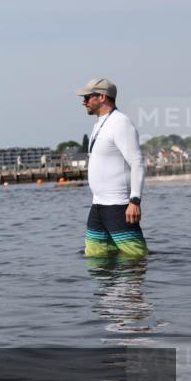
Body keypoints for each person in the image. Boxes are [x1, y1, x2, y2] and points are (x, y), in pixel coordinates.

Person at [75, 78, 147, 257]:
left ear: (102, 97)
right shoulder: (99, 123)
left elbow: (137, 162)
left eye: (87, 97)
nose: (83, 101)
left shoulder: (120, 123)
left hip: (118, 206)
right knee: (95, 260)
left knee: (135, 259)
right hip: (98, 206)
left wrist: (135, 201)